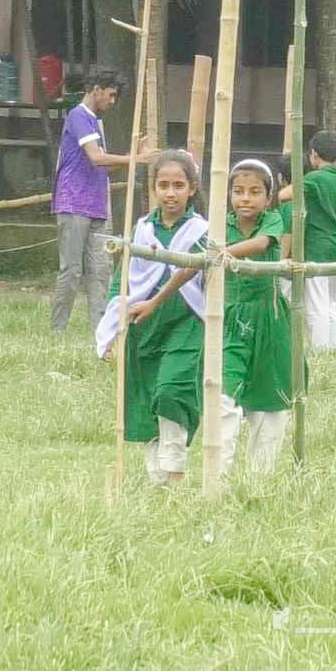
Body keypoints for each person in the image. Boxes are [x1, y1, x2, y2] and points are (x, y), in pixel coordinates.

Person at [94, 150, 209, 486]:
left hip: (186, 323)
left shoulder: (203, 230)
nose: (170, 192)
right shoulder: (142, 229)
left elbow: (201, 278)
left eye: (178, 185)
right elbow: (124, 280)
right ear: (153, 189)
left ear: (192, 188)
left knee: (172, 390)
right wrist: (115, 325)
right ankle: (158, 478)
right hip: (143, 326)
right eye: (163, 185)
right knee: (145, 397)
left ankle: (175, 471)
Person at [50, 68, 157, 334]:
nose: (112, 101)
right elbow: (97, 158)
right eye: (110, 95)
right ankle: (57, 330)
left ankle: (100, 330)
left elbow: (101, 166)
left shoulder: (96, 123)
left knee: (100, 271)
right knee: (72, 270)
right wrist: (136, 159)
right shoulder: (78, 116)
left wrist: (130, 155)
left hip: (97, 205)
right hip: (73, 203)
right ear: (95, 90)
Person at [216, 158, 297, 475]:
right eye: (238, 191)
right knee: (222, 392)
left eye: (253, 192)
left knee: (270, 401)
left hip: (268, 319)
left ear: (268, 197)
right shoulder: (220, 225)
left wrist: (221, 253)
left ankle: (259, 477)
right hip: (230, 319)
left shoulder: (273, 221)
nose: (245, 198)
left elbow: (262, 244)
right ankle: (218, 472)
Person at [274, 132, 336, 351]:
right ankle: (333, 346)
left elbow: (282, 196)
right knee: (330, 303)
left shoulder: (312, 180)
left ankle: (320, 349)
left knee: (316, 304)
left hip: (317, 247)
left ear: (313, 154)